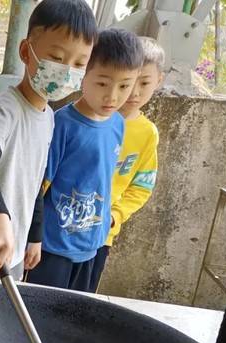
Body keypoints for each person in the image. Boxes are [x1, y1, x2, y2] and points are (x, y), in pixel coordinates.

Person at [0, 0, 97, 277]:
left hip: (15, 246)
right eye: (57, 58)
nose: (67, 71)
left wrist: (34, 236)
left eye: (79, 63)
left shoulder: (49, 117)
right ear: (27, 52)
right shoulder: (6, 108)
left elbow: (35, 180)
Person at [26, 28, 143, 292]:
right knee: (41, 310)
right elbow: (39, 186)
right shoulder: (61, 124)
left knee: (79, 312)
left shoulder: (118, 124)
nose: (112, 96)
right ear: (83, 74)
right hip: (52, 247)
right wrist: (33, 239)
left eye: (124, 86)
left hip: (92, 245)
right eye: (102, 83)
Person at [90, 37, 165, 291]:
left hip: (103, 233)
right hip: (62, 230)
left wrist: (115, 216)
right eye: (130, 82)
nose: (134, 92)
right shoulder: (86, 120)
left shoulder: (147, 134)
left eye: (144, 83)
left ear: (159, 81)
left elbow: (141, 187)